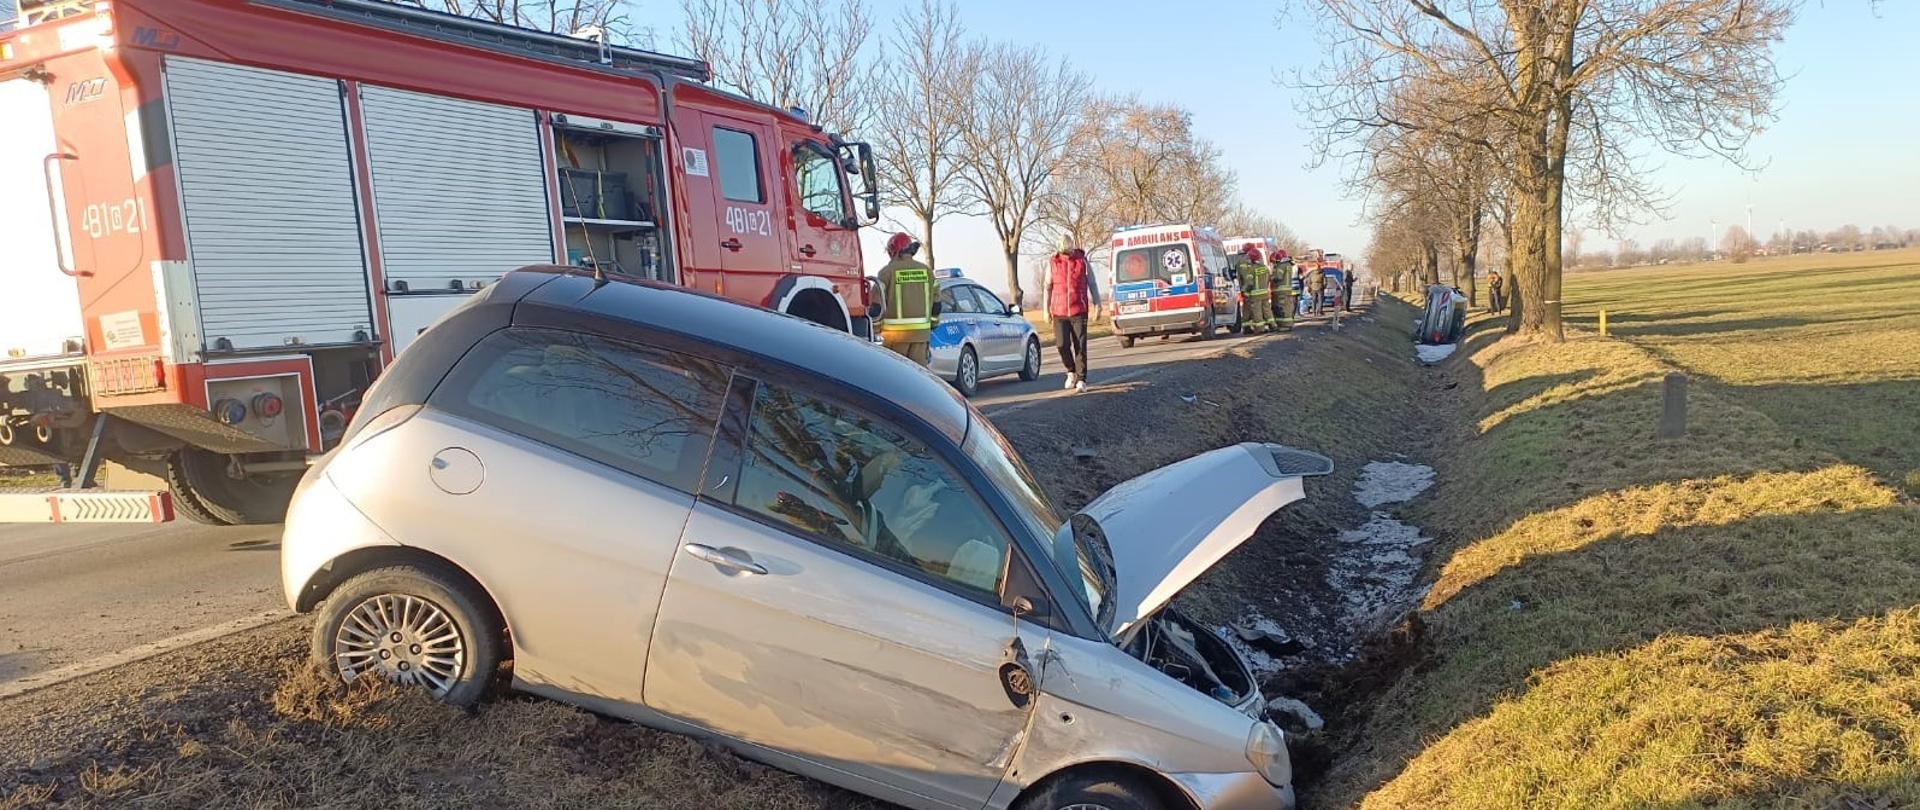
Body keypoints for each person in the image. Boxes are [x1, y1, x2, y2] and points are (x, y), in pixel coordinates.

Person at [1042, 235, 1101, 392]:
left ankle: (1081, 379)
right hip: (1059, 312)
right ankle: (1071, 371)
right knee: (1062, 345)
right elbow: (1047, 287)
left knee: (1080, 345)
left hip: (1079, 310)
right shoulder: (1053, 262)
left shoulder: (1082, 261)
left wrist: (1098, 304)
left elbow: (1092, 283)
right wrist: (1045, 310)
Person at [876, 232, 934, 364]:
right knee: (919, 373)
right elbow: (937, 305)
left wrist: (875, 330)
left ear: (893, 251)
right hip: (921, 337)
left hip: (895, 338)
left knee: (895, 373)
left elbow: (876, 306)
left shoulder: (887, 272)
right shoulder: (927, 271)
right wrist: (931, 326)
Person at [1234, 244, 1272, 334]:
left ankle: (1248, 327)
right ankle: (1255, 327)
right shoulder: (1245, 262)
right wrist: (1247, 288)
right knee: (1253, 309)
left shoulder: (1242, 261)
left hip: (1248, 288)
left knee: (1248, 308)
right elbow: (1246, 277)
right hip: (1250, 288)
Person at [1270, 250, 1296, 330]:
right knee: (1287, 308)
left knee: (1282, 308)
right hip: (1287, 290)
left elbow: (1278, 277)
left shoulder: (1281, 266)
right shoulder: (1288, 265)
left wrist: (1271, 277)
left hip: (1280, 291)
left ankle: (1284, 326)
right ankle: (1287, 324)